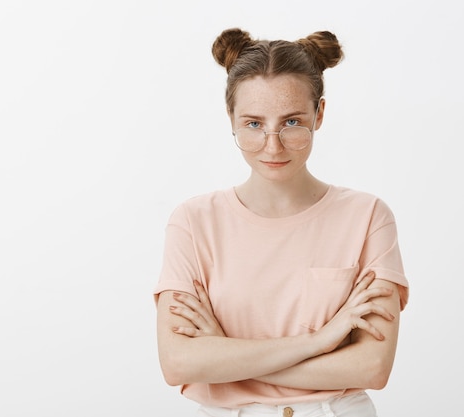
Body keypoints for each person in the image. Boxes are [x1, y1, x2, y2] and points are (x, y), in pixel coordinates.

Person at [153, 28, 409, 417]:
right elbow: (179, 364)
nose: (272, 146)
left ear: (319, 114)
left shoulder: (368, 217)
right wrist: (320, 341)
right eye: (254, 124)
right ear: (232, 118)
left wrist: (226, 357)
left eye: (292, 122)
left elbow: (371, 367)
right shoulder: (192, 222)